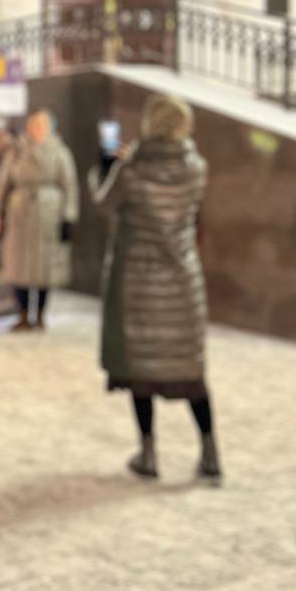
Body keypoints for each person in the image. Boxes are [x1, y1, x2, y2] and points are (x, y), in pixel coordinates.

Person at [90, 93, 221, 484]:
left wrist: (108, 166)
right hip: (183, 281)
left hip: (138, 282)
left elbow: (104, 204)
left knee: (140, 369)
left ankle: (148, 453)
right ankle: (210, 452)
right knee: (190, 369)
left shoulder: (132, 170)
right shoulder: (197, 168)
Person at [0, 110, 78, 330]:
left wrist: (69, 217)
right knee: (18, 266)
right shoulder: (17, 151)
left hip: (48, 215)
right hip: (20, 216)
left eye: (41, 125)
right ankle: (23, 313)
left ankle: (40, 314)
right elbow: (3, 184)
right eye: (34, 125)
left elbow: (70, 185)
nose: (37, 130)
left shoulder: (60, 152)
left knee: (44, 268)